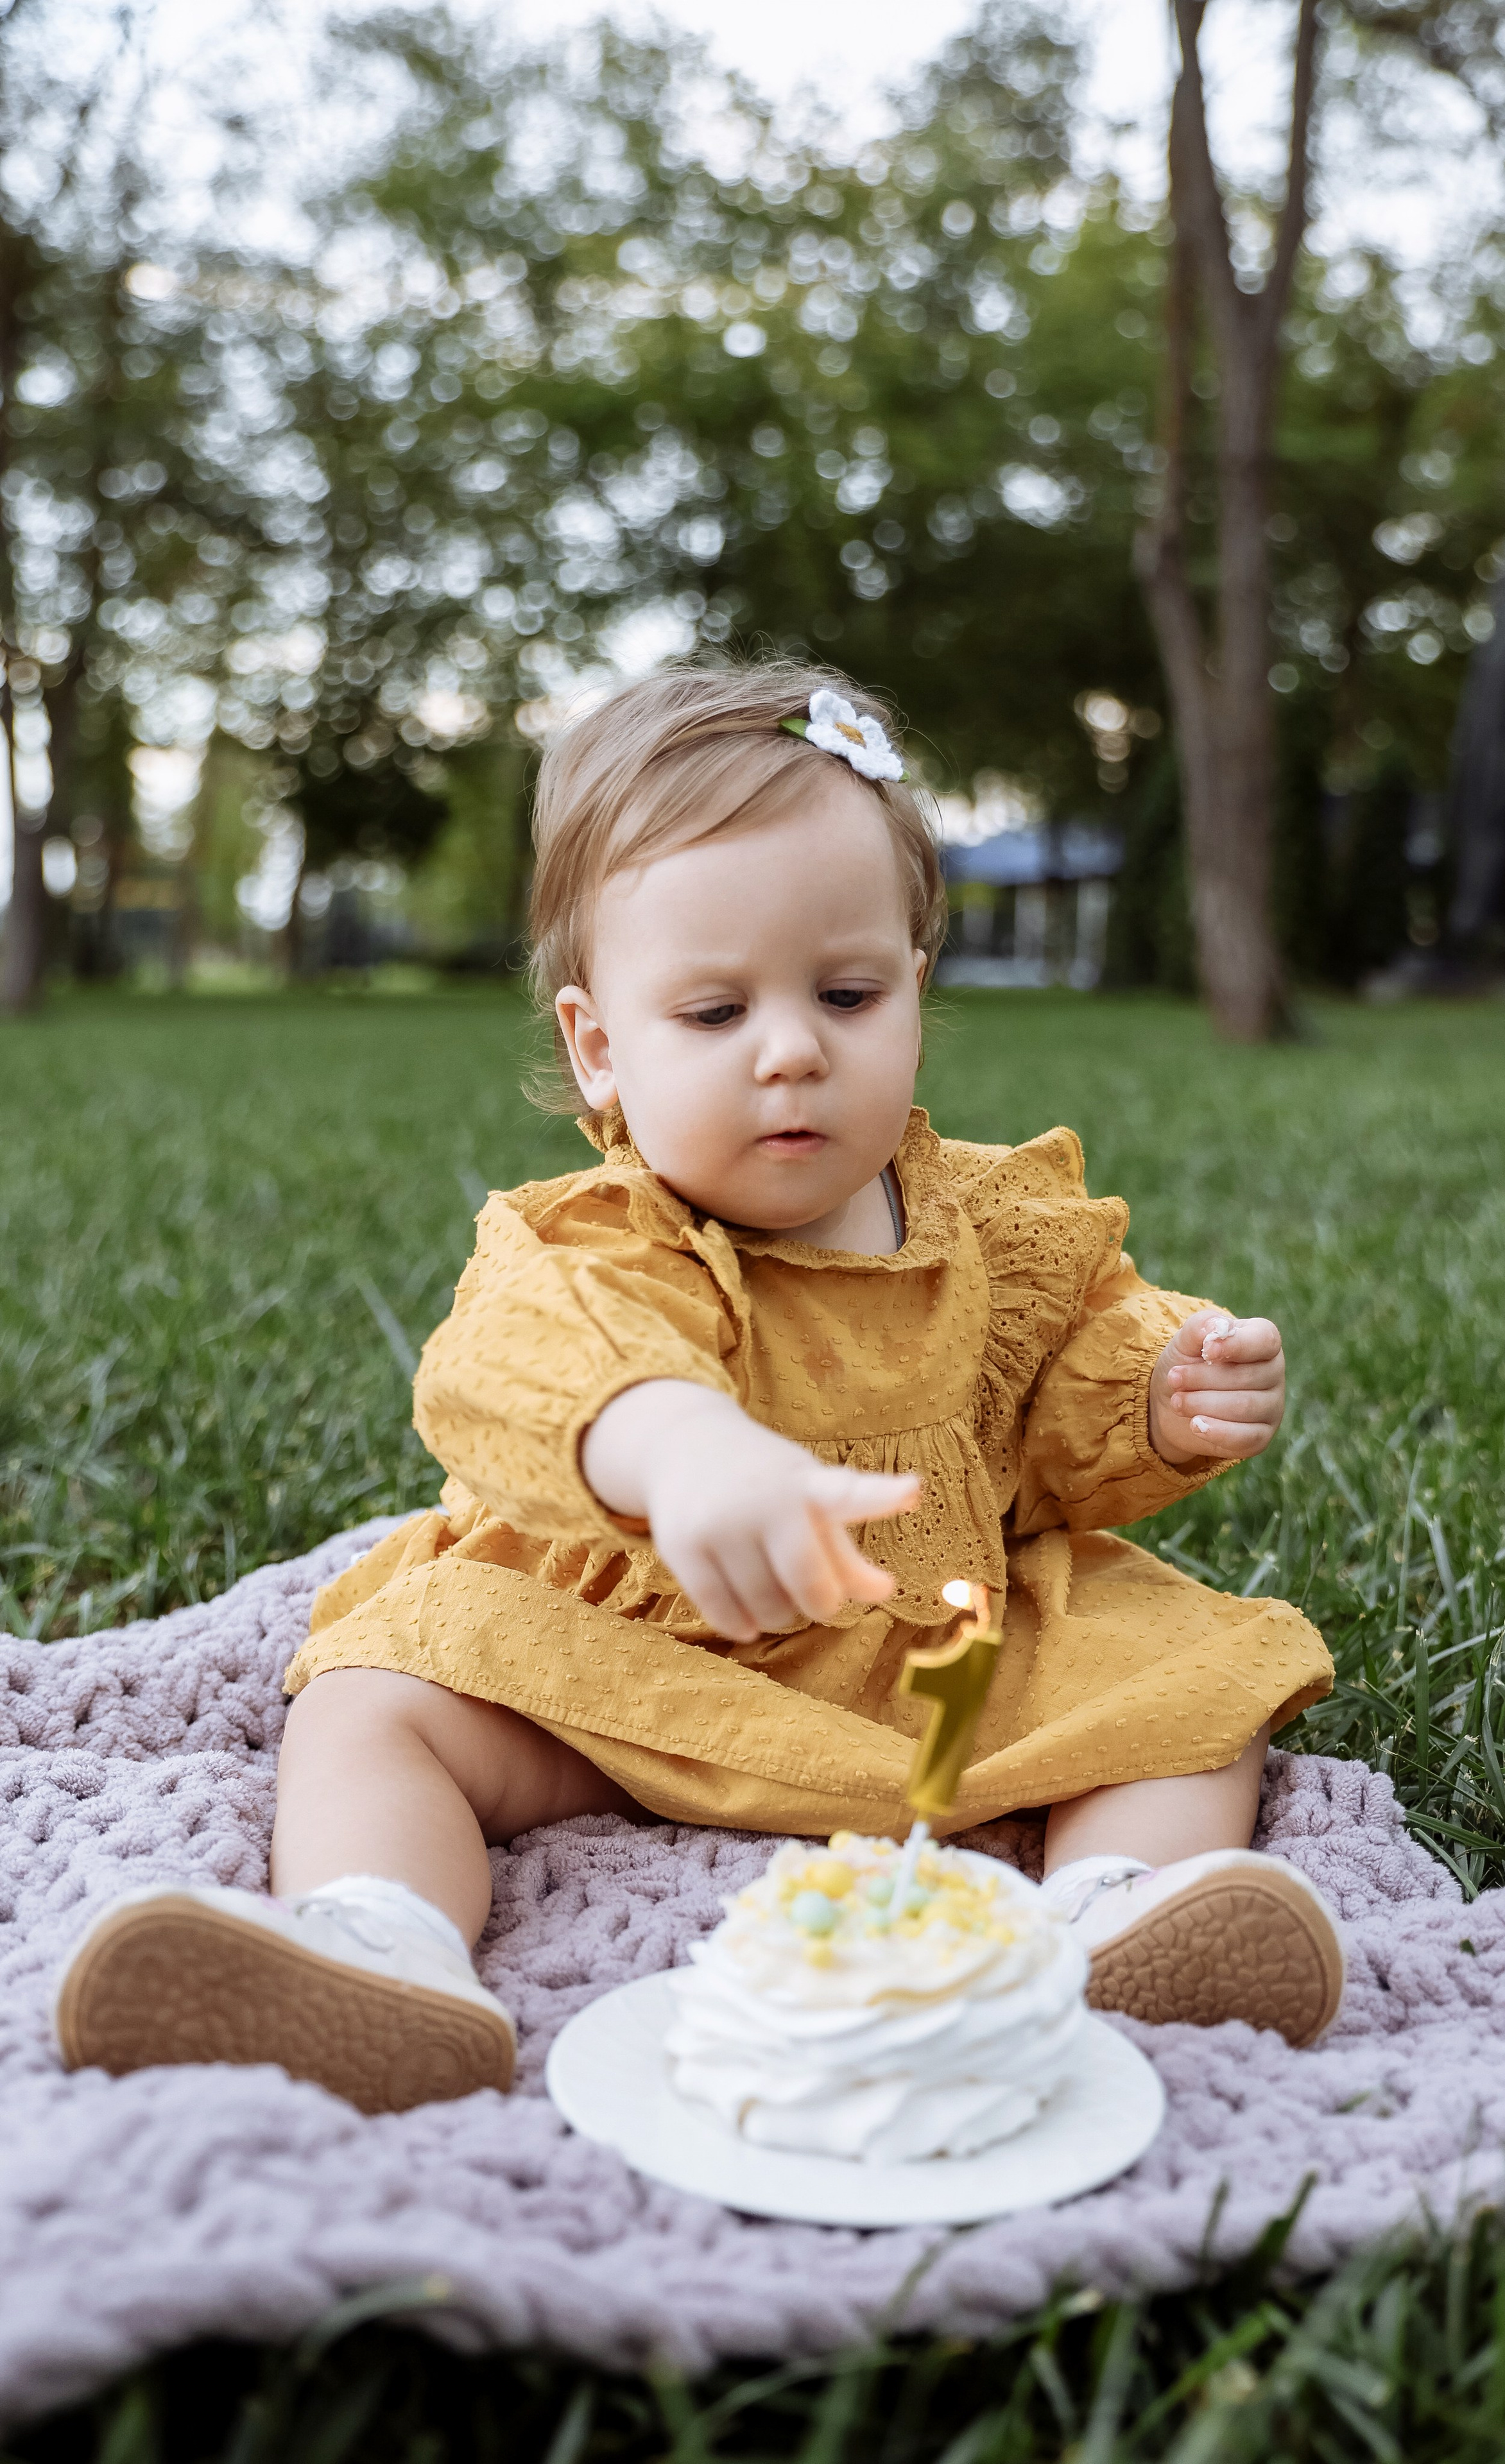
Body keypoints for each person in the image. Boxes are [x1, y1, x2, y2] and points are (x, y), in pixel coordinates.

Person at [55, 662, 1342, 2116]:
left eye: (844, 993)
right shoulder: (600, 1240)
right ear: (600, 1048)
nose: (791, 1049)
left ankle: (1112, 1920)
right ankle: (382, 1948)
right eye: (715, 1012)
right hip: (631, 1678)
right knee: (378, 1689)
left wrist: (1160, 1393)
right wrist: (679, 1456)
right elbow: (532, 1368)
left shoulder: (989, 1228)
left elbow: (1051, 1410)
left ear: (914, 991)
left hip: (935, 1674)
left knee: (1183, 1672)